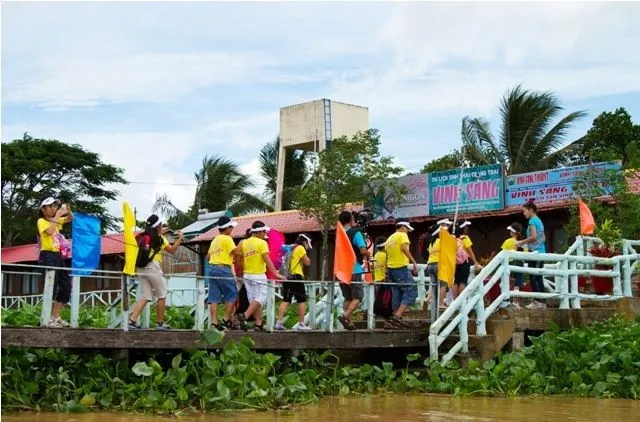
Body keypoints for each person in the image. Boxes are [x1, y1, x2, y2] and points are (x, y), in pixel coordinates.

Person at [129, 214, 184, 330]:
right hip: (152, 267)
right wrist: (179, 238)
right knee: (162, 294)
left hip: (140, 268)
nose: (162, 226)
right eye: (161, 224)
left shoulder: (142, 236)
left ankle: (132, 321)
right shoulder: (159, 238)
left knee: (146, 296)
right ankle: (160, 323)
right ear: (157, 226)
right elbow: (172, 250)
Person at [237, 221, 286, 331]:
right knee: (261, 298)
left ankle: (258, 324)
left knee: (254, 300)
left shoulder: (244, 243)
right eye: (264, 232)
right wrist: (276, 273)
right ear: (259, 232)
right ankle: (245, 315)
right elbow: (267, 260)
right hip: (258, 274)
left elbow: (238, 258)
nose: (265, 234)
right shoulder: (262, 243)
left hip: (247, 275)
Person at [37, 196, 74, 328]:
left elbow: (70, 219)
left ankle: (55, 316)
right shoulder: (41, 221)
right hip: (47, 256)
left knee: (66, 287)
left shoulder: (56, 220)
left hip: (58, 256)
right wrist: (58, 215)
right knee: (50, 287)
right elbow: (50, 231)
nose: (54, 209)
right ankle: (46, 318)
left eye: (55, 206)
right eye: (51, 207)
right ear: (43, 209)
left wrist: (68, 211)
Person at [206, 216, 242, 331]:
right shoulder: (227, 239)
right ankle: (226, 320)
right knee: (232, 294)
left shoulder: (215, 240)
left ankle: (214, 323)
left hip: (211, 268)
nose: (232, 229)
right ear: (227, 228)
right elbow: (236, 252)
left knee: (214, 297)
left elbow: (208, 257)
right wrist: (242, 245)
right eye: (231, 227)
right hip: (223, 268)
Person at [337, 210, 369, 331]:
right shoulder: (355, 233)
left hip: (341, 270)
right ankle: (345, 316)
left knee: (348, 298)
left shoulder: (339, 234)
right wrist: (367, 253)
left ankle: (349, 323)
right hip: (354, 269)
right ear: (350, 220)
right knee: (358, 297)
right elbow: (362, 250)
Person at [274, 233, 313, 331]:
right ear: (305, 242)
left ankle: (278, 323)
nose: (308, 246)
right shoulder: (300, 248)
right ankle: (301, 324)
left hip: (287, 276)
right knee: (302, 300)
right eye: (308, 243)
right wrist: (307, 255)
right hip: (296, 276)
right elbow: (307, 262)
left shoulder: (291, 248)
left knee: (286, 300)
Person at [385, 219, 419, 325]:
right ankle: (398, 315)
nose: (407, 231)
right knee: (411, 290)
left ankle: (395, 318)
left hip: (391, 269)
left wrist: (387, 271)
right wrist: (414, 262)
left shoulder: (390, 238)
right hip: (400, 267)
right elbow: (404, 247)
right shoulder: (402, 235)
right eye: (407, 229)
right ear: (403, 227)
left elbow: (387, 255)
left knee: (397, 293)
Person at [517, 200, 547, 309]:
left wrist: (522, 242)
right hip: (541, 251)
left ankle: (537, 301)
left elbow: (533, 237)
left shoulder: (532, 221)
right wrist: (537, 245)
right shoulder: (539, 220)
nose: (523, 213)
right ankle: (542, 301)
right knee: (538, 276)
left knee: (533, 276)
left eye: (524, 211)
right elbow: (543, 238)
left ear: (530, 210)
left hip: (535, 253)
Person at [426, 218, 453, 310]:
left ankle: (432, 302)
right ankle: (440, 303)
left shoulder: (431, 243)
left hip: (429, 265)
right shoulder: (441, 241)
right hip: (438, 265)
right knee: (443, 284)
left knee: (434, 285)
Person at [452, 220, 482, 299]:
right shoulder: (465, 238)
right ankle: (461, 301)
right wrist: (475, 262)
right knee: (462, 282)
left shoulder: (453, 238)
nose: (467, 228)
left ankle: (455, 302)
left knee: (456, 282)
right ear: (464, 228)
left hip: (455, 262)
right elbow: (470, 252)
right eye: (466, 227)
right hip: (464, 262)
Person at [502, 223, 526, 309]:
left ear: (512, 232)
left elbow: (502, 253)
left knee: (508, 282)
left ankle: (507, 301)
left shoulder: (507, 241)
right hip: (520, 263)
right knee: (517, 283)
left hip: (509, 264)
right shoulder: (523, 242)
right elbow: (526, 254)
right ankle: (516, 301)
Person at [372, 236, 393, 320]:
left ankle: (378, 312)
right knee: (387, 298)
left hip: (377, 279)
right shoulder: (385, 256)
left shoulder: (376, 255)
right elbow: (388, 267)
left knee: (379, 297)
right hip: (384, 279)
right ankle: (386, 314)